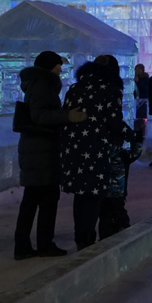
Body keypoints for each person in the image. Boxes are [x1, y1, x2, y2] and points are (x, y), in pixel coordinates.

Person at [13, 51, 86, 260]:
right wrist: (68, 115)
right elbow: (40, 115)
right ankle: (42, 244)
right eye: (57, 65)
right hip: (41, 150)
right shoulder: (43, 85)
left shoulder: (37, 84)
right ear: (49, 67)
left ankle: (24, 245)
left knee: (34, 199)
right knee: (46, 199)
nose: (60, 69)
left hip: (37, 149)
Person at [60, 57, 125, 249]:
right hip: (98, 147)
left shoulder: (74, 89)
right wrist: (132, 135)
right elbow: (114, 121)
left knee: (80, 195)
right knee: (95, 194)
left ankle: (80, 237)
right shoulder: (110, 90)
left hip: (73, 148)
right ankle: (88, 239)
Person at [133, 63, 149, 129]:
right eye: (136, 69)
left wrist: (138, 82)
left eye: (139, 69)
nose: (138, 71)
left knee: (141, 117)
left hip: (143, 101)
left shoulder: (145, 78)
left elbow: (146, 89)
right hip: (135, 100)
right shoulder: (134, 78)